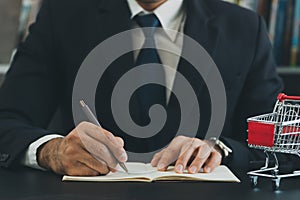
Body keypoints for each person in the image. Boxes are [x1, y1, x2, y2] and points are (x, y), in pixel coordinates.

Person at [0, 0, 284, 176]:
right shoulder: (62, 16)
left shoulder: (244, 28)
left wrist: (221, 149)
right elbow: (7, 122)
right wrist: (54, 151)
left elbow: (282, 143)